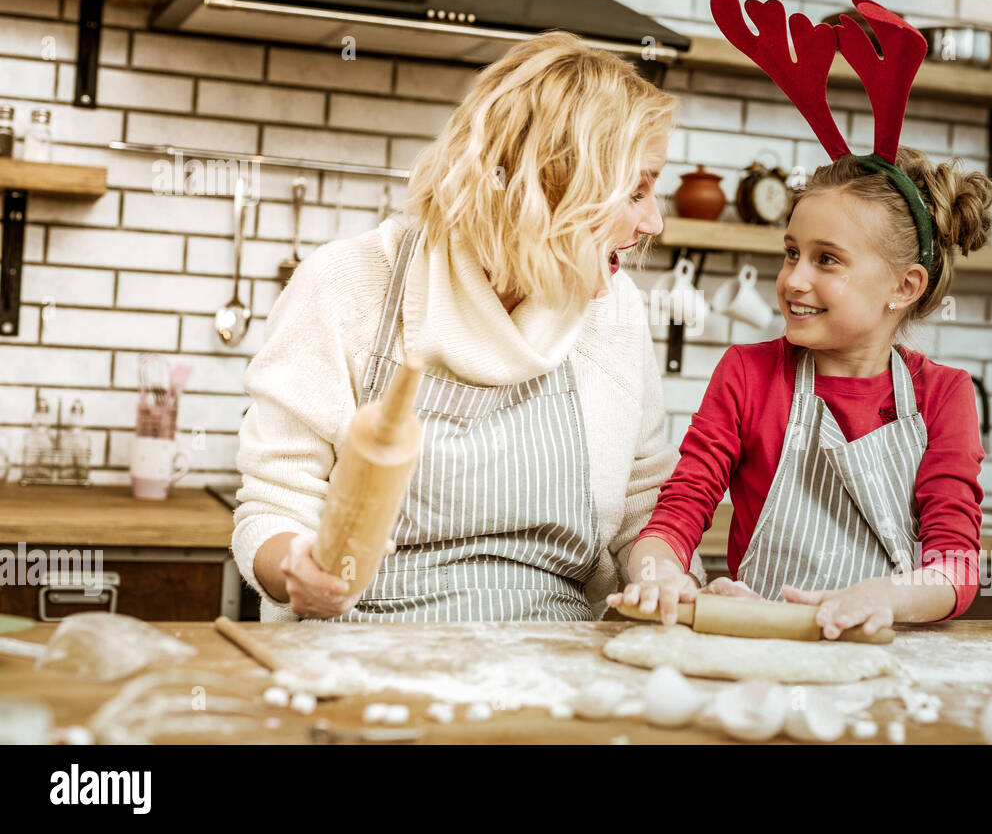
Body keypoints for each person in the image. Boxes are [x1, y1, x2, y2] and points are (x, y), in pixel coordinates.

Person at [232, 31, 703, 622]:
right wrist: (298, 569)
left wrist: (662, 576)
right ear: (554, 187)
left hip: (559, 659)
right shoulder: (347, 285)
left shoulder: (616, 311)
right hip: (360, 653)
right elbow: (275, 503)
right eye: (635, 190)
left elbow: (642, 502)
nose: (654, 220)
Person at [610, 0, 992, 640]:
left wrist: (888, 597)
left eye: (827, 260)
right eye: (791, 252)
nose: (794, 279)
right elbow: (679, 512)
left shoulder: (943, 396)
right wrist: (659, 572)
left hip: (887, 654)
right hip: (760, 649)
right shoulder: (749, 375)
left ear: (904, 287)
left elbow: (955, 563)